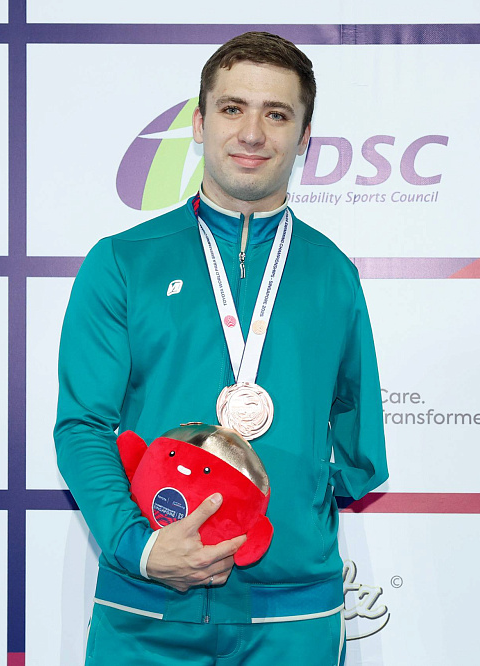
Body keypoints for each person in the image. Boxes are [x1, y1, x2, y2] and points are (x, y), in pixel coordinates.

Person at [55, 31, 388, 665]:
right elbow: (84, 426)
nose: (252, 133)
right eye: (233, 108)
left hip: (292, 616)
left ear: (305, 135)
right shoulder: (122, 262)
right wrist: (140, 547)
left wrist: (292, 513)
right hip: (148, 609)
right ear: (200, 122)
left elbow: (358, 448)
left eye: (277, 114)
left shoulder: (332, 274)